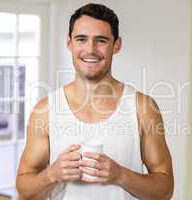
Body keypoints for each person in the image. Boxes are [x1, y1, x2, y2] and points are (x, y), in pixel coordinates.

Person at [16, 3, 174, 200]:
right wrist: (52, 174)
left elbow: (165, 190)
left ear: (117, 45)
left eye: (101, 40)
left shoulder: (142, 108)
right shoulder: (46, 110)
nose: (90, 49)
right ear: (69, 43)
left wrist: (120, 175)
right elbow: (24, 190)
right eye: (81, 39)